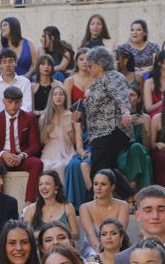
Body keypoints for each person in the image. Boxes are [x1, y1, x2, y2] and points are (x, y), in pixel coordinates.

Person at [83, 48, 134, 182]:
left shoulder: (113, 76)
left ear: (101, 64)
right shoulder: (98, 83)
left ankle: (130, 195)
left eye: (91, 65)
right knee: (103, 171)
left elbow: (121, 96)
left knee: (99, 171)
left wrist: (126, 112)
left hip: (111, 131)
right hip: (100, 134)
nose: (88, 69)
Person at [0, 85, 42, 205]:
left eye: (17, 102)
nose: (13, 105)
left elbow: (35, 145)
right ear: (4, 102)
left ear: (21, 102)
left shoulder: (29, 118)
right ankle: (0, 202)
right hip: (3, 158)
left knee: (37, 163)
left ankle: (29, 202)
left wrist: (22, 156)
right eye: (10, 102)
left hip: (21, 157)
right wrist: (4, 154)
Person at [77, 169, 129, 255]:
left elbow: (120, 233)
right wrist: (102, 254)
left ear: (112, 187)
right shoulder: (84, 207)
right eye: (95, 184)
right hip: (93, 248)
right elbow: (91, 234)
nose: (98, 188)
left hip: (117, 247)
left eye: (103, 184)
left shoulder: (123, 205)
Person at [116, 84, 154, 195]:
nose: (128, 98)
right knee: (144, 159)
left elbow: (147, 147)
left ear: (139, 99)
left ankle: (132, 184)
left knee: (137, 147)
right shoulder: (117, 118)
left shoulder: (145, 118)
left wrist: (143, 127)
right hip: (123, 154)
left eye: (132, 95)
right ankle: (141, 193)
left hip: (140, 151)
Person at [37, 84, 77, 182]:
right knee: (46, 166)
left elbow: (75, 142)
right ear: (51, 97)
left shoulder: (70, 115)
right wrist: (47, 131)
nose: (58, 97)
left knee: (61, 166)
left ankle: (62, 196)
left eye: (61, 94)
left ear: (65, 97)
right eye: (55, 94)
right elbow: (41, 142)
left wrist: (69, 130)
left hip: (67, 150)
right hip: (49, 151)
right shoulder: (44, 117)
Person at [23, 170, 79, 236]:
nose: (43, 187)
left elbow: (76, 234)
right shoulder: (31, 209)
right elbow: (24, 235)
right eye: (40, 184)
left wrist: (59, 235)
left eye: (47, 184)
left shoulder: (67, 206)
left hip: (62, 246)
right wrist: (46, 235)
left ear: (56, 186)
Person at [0, 49, 32, 116]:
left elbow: (27, 105)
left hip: (21, 118)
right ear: (0, 65)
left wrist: (16, 115)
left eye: (10, 61)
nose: (8, 65)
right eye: (4, 62)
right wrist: (4, 117)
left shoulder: (25, 82)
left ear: (16, 63)